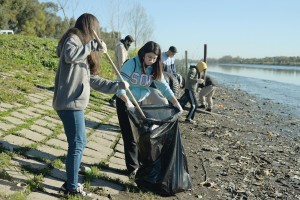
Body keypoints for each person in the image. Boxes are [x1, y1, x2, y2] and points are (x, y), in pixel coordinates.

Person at [52, 13, 129, 197]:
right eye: (96, 30)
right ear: (90, 27)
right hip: (69, 103)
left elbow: (92, 80)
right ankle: (71, 187)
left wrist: (118, 86)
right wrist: (93, 45)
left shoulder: (82, 50)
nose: (97, 35)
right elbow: (70, 55)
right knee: (78, 143)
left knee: (78, 143)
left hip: (74, 103)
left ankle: (70, 183)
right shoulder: (73, 39)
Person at [115, 41, 183, 177]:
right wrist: (127, 101)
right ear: (143, 54)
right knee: (129, 135)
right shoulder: (132, 64)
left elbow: (164, 87)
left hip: (140, 102)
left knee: (141, 134)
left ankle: (142, 165)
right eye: (149, 57)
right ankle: (132, 168)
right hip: (125, 101)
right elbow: (119, 85)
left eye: (154, 58)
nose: (151, 60)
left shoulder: (155, 68)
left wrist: (176, 103)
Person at [108, 35, 135, 107]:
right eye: (130, 42)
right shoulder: (121, 47)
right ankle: (113, 99)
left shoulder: (124, 47)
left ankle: (113, 99)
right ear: (127, 41)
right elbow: (121, 60)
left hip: (122, 68)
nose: (130, 44)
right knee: (121, 84)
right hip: (120, 68)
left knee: (121, 85)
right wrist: (123, 70)